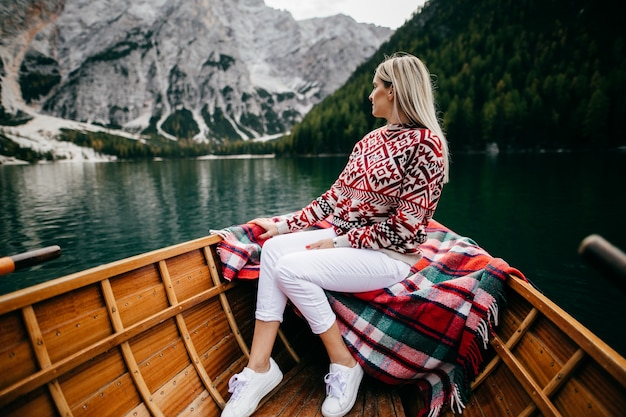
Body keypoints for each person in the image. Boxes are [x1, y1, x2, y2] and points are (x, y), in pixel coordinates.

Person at [221, 52, 450, 417]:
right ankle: (259, 368)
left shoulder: (426, 147)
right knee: (275, 249)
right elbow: (333, 198)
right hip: (348, 242)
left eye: (376, 86)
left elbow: (406, 233)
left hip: (388, 258)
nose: (370, 94)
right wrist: (282, 227)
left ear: (394, 91)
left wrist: (340, 241)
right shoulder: (370, 141)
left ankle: (344, 363)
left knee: (292, 269)